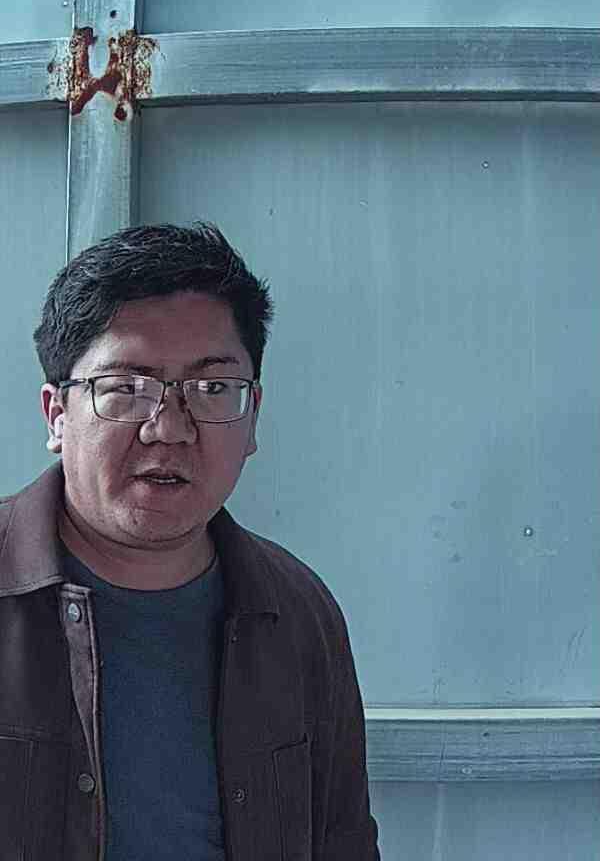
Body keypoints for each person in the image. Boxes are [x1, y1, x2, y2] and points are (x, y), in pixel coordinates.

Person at [0, 221, 380, 861]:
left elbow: (343, 841)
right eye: (127, 389)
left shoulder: (299, 612)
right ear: (56, 415)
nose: (168, 429)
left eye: (212, 389)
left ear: (252, 418)